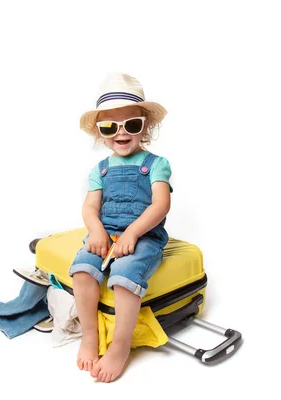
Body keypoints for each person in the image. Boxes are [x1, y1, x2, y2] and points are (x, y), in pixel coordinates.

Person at [69, 72, 172, 383]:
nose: (121, 133)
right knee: (83, 268)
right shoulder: (100, 169)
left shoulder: (156, 164)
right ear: (101, 133)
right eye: (110, 127)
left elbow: (160, 205)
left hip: (143, 236)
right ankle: (90, 337)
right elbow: (90, 207)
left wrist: (133, 233)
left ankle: (120, 346)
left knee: (125, 274)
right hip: (106, 232)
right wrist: (97, 231)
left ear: (146, 126)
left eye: (132, 125)